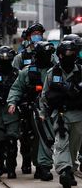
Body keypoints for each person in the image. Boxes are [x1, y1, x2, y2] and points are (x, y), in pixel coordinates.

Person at [7, 41, 55, 181]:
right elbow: (16, 88)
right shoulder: (27, 71)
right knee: (36, 139)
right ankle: (40, 165)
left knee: (48, 137)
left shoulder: (55, 71)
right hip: (32, 110)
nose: (47, 57)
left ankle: (48, 166)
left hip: (54, 110)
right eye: (44, 54)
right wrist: (12, 103)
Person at [40, 41, 82, 188]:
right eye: (67, 53)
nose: (70, 56)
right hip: (60, 115)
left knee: (74, 146)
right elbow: (45, 94)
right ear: (60, 55)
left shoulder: (81, 71)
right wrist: (43, 112)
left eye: (73, 53)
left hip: (78, 116)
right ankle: (64, 170)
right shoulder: (52, 73)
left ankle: (70, 170)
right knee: (61, 143)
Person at [0, 46, 20, 178]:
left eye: (7, 58)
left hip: (12, 110)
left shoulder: (17, 73)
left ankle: (11, 166)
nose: (5, 60)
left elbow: (21, 89)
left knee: (12, 140)